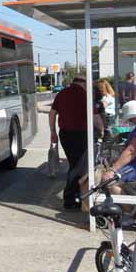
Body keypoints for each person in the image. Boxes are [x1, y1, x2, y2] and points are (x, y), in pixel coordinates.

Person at [49, 77, 88, 209]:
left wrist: (53, 132)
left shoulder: (61, 94)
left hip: (65, 134)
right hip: (81, 133)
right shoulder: (84, 94)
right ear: (83, 82)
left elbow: (52, 114)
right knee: (78, 166)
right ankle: (70, 198)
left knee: (74, 163)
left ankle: (75, 196)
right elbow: (94, 116)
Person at [102, 100, 136, 197]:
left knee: (110, 182)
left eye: (130, 119)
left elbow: (132, 151)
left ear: (135, 116)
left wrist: (112, 170)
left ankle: (131, 210)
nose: (130, 122)